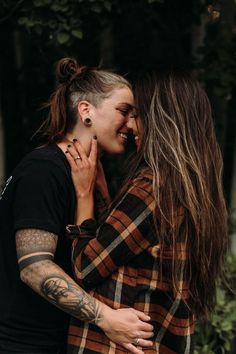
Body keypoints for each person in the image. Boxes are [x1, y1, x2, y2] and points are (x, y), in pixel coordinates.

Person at [64, 70, 228, 353]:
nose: (129, 125)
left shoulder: (153, 188)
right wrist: (103, 193)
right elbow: (130, 253)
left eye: (136, 114)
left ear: (160, 121)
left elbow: (85, 267)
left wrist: (84, 194)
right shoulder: (195, 194)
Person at [0, 58, 154, 354]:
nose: (131, 124)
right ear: (86, 110)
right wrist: (106, 318)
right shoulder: (43, 171)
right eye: (124, 111)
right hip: (24, 343)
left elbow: (91, 256)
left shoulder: (90, 174)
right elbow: (34, 267)